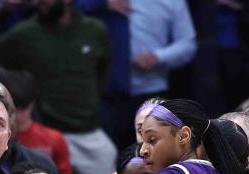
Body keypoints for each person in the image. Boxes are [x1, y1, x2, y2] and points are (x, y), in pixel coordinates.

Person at [0, 0, 116, 174]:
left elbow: (104, 72)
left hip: (88, 130)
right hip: (45, 131)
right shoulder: (24, 34)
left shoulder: (95, 29)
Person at [78, 0, 197, 147]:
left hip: (151, 90)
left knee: (155, 155)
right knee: (106, 157)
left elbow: (188, 43)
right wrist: (101, 4)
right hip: (103, 93)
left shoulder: (172, 2)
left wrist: (158, 57)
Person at [8, 71, 77, 174]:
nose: (19, 115)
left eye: (23, 108)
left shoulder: (54, 139)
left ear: (32, 103)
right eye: (14, 109)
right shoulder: (0, 141)